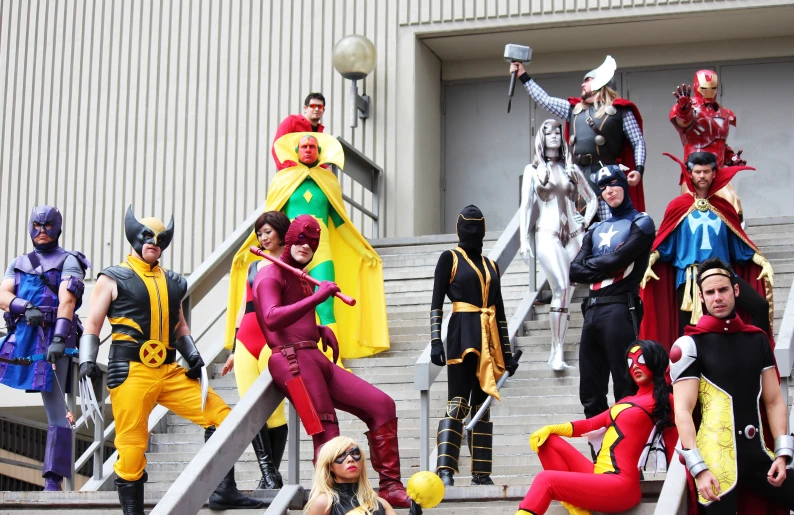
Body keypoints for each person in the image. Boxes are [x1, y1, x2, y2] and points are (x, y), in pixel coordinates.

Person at [78, 206, 264, 513]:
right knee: (132, 448)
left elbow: (179, 326)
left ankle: (223, 490)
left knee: (224, 417)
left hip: (169, 370)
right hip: (130, 371)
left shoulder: (175, 282)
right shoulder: (112, 278)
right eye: (146, 236)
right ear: (134, 237)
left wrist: (192, 355)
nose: (153, 241)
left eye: (160, 237)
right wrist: (87, 359)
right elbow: (92, 324)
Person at [252, 215, 411, 508]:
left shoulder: (300, 275)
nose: (306, 246)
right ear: (289, 238)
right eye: (301, 238)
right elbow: (272, 318)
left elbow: (294, 317)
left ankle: (389, 485)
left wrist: (319, 329)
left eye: (313, 242)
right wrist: (317, 298)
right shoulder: (270, 273)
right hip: (290, 359)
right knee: (327, 431)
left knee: (382, 405)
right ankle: (330, 501)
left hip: (313, 355)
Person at [228, 132, 387, 359]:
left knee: (325, 304)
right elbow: (271, 220)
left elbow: (341, 222)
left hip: (321, 250)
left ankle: (334, 360)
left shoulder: (329, 182)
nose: (308, 149)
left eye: (313, 146)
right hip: (289, 252)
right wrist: (250, 248)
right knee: (287, 303)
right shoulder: (283, 180)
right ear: (296, 151)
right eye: (304, 146)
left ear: (319, 152)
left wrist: (364, 250)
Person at [671, 257, 794, 514]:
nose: (717, 297)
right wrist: (699, 469)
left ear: (736, 291)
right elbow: (683, 410)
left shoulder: (756, 339)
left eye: (723, 289)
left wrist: (783, 454)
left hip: (759, 457)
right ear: (702, 298)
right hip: (716, 464)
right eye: (710, 292)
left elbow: (773, 400)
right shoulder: (689, 345)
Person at [515, 339, 677, 515]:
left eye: (642, 360)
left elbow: (674, 444)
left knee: (545, 480)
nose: (635, 366)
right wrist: (552, 428)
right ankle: (578, 507)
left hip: (621, 486)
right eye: (630, 362)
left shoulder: (664, 401)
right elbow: (591, 424)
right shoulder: (626, 401)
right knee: (546, 440)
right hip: (600, 478)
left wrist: (682, 485)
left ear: (656, 360)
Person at [639, 152, 773, 349]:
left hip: (723, 274)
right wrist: (650, 260)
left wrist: (763, 262)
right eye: (698, 171)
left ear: (714, 174)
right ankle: (685, 375)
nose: (702, 176)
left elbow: (739, 245)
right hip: (689, 279)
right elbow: (666, 245)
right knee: (689, 336)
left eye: (706, 171)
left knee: (759, 306)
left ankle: (759, 355)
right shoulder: (678, 206)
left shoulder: (723, 207)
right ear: (690, 174)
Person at [0, 206, 90, 491]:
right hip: (22, 336)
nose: (41, 231)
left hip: (53, 337)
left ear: (57, 228)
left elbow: (67, 302)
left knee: (55, 406)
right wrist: (24, 306)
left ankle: (53, 479)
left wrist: (60, 339)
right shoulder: (18, 261)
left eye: (47, 225)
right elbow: (3, 295)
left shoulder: (69, 260)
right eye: (37, 225)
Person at [430, 205, 520, 486]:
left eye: (476, 226)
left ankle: (482, 473)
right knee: (457, 402)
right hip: (460, 336)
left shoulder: (491, 266)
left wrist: (507, 354)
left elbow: (500, 313)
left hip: (488, 339)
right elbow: (436, 303)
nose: (472, 231)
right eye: (468, 226)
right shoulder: (449, 258)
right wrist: (435, 341)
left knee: (482, 406)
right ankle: (445, 469)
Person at [510, 55, 647, 221]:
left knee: (609, 224)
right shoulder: (574, 109)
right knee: (577, 227)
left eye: (587, 80)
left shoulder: (620, 111)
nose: (582, 84)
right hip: (577, 175)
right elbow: (544, 100)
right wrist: (523, 76)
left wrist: (639, 169)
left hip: (606, 175)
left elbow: (637, 141)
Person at [569, 165, 655, 426]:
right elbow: (574, 270)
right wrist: (605, 263)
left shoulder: (642, 221)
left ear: (624, 184)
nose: (608, 190)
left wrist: (594, 263)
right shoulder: (595, 229)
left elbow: (620, 259)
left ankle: (625, 453)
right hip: (592, 311)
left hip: (620, 309)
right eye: (603, 187)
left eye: (613, 183)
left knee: (625, 385)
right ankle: (600, 456)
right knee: (590, 391)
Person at [519, 119, 597, 370]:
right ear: (540, 137)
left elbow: (592, 199)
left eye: (557, 131)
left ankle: (559, 347)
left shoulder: (571, 169)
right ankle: (557, 350)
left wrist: (584, 219)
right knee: (561, 288)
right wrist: (523, 239)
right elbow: (526, 208)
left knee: (567, 290)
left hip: (574, 234)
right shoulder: (532, 171)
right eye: (547, 131)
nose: (553, 135)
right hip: (547, 233)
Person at [222, 211, 291, 489]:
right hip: (246, 341)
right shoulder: (252, 266)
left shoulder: (293, 264)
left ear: (281, 231)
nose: (263, 237)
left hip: (273, 339)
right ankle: (270, 475)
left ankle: (269, 476)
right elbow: (242, 308)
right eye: (259, 233)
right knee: (251, 408)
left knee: (275, 413)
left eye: (268, 231)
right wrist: (233, 347)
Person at [670, 70, 745, 219]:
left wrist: (731, 158)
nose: (709, 92)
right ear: (698, 86)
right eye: (704, 88)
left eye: (713, 88)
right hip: (695, 171)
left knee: (734, 207)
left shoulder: (723, 113)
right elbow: (683, 121)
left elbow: (720, 143)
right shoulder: (692, 109)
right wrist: (683, 109)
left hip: (717, 172)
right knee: (690, 214)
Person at [304, 436, 423, 515]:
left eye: (355, 453)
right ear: (330, 466)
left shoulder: (379, 503)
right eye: (340, 456)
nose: (350, 459)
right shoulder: (324, 502)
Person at [272, 92, 326, 170]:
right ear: (305, 108)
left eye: (320, 106)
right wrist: (289, 170)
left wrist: (325, 169)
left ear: (323, 110)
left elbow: (318, 156)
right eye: (313, 106)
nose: (317, 109)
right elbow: (277, 147)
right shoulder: (291, 122)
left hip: (311, 177)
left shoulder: (320, 133)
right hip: (292, 174)